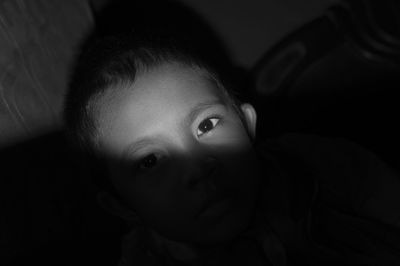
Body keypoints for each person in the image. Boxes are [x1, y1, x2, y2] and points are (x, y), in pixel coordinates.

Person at [64, 32, 400, 266]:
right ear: (122, 206)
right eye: (150, 160)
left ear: (247, 123)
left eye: (207, 125)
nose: (197, 167)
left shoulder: (312, 161)